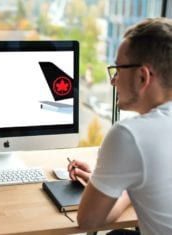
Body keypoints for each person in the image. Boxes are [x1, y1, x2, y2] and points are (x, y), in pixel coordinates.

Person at [68, 17, 172, 234]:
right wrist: (114, 181)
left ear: (142, 77)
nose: (113, 80)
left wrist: (120, 185)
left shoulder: (130, 135)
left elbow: (88, 222)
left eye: (118, 69)